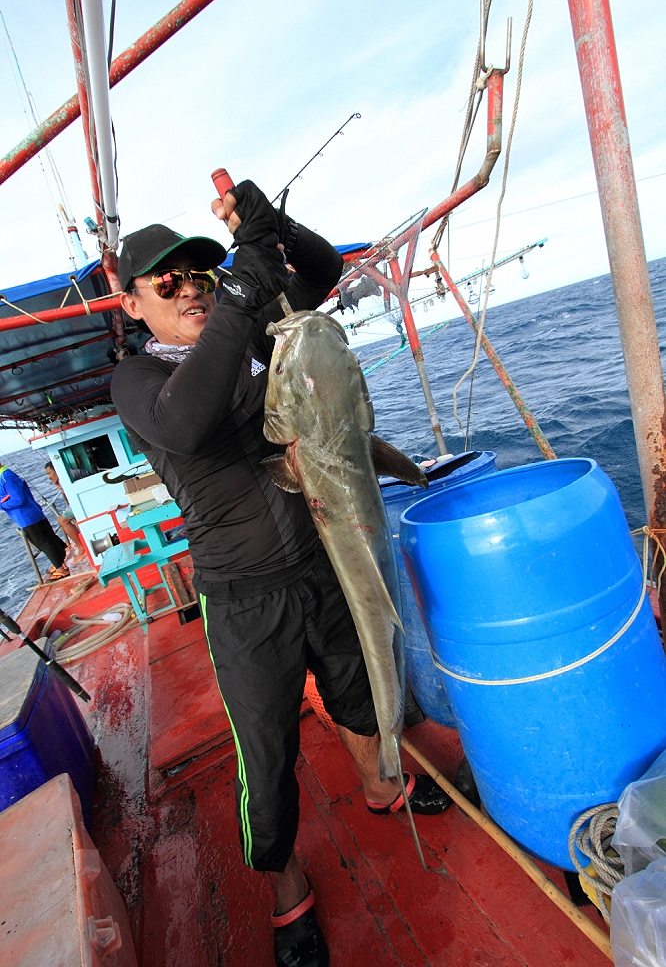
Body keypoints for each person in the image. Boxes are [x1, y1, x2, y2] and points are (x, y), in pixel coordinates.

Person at [111, 180, 449, 967]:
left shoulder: (258, 329)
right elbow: (187, 425)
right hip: (243, 597)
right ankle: (284, 882)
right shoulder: (138, 381)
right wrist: (237, 291)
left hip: (320, 561)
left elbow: (324, 269)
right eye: (169, 281)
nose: (190, 288)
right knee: (265, 755)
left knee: (360, 693)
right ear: (131, 304)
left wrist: (271, 229)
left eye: (200, 273)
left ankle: (379, 784)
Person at [0, 464, 70, 581]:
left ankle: (61, 570)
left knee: (42, 543)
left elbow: (18, 499)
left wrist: (2, 505)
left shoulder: (6, 477)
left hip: (26, 517)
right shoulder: (7, 475)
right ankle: (61, 564)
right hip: (33, 513)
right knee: (48, 539)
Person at [43, 462, 85, 561]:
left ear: (56, 470)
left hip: (83, 500)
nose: (49, 477)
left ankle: (81, 548)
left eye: (49, 473)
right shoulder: (68, 474)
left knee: (62, 520)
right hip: (81, 498)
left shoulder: (64, 479)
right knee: (70, 518)